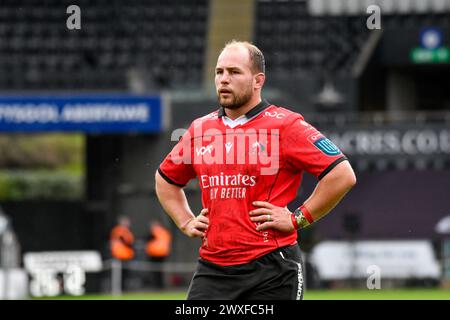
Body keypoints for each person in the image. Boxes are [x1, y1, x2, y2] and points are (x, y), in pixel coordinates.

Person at [155, 40, 356, 300]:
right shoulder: (199, 129)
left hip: (272, 268)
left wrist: (298, 218)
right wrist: (185, 220)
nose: (224, 79)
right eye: (219, 72)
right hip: (212, 270)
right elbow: (165, 180)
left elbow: (341, 174)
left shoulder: (286, 124)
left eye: (234, 72)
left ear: (258, 80)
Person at [109, 215, 134, 292]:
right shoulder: (120, 230)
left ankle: (122, 289)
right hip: (120, 255)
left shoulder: (125, 230)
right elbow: (126, 241)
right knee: (120, 275)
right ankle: (120, 289)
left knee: (124, 275)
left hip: (125, 255)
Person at [145, 220, 172, 289]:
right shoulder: (165, 232)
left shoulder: (154, 231)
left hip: (154, 254)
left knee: (155, 271)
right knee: (160, 271)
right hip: (162, 254)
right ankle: (160, 285)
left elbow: (147, 239)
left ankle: (156, 285)